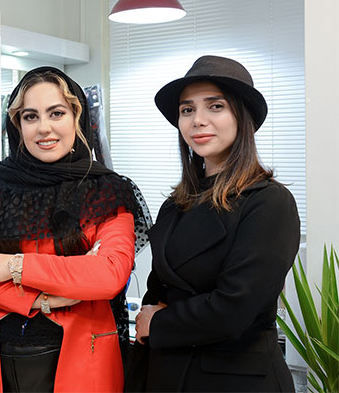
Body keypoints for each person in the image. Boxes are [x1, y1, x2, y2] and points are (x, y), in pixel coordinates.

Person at [0, 66, 152, 392]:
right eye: (30, 116)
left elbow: (109, 274)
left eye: (56, 113)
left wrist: (10, 266)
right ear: (17, 125)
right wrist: (46, 299)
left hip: (85, 359)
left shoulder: (107, 190)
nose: (44, 128)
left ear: (76, 117)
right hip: (1, 359)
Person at [127, 55, 300, 392]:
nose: (198, 120)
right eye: (187, 110)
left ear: (242, 116)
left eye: (215, 106)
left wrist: (159, 322)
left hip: (236, 380)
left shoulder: (270, 202)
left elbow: (235, 308)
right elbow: (157, 290)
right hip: (166, 372)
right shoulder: (175, 204)